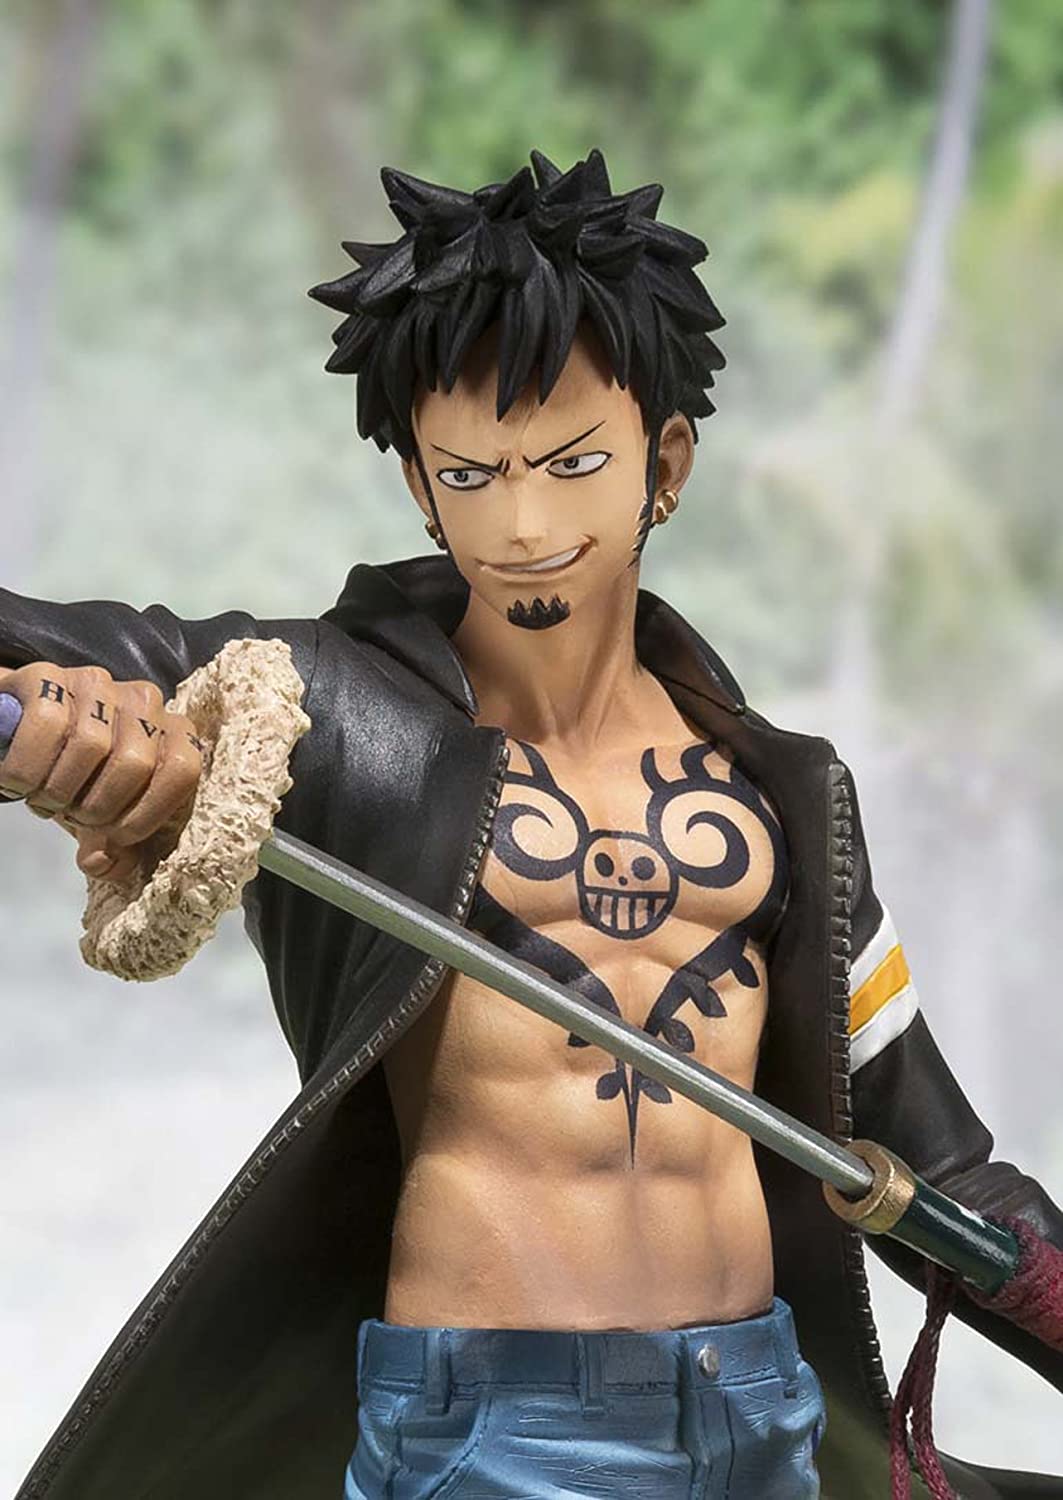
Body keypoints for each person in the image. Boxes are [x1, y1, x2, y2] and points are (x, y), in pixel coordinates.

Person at [0, 149, 1060, 1500]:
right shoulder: (311, 708)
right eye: (473, 473)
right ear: (418, 486)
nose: (522, 522)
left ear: (664, 462)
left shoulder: (786, 799)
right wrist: (72, 722)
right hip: (493, 1435)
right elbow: (49, 653)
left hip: (760, 1416)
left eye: (571, 463)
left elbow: (945, 1169)